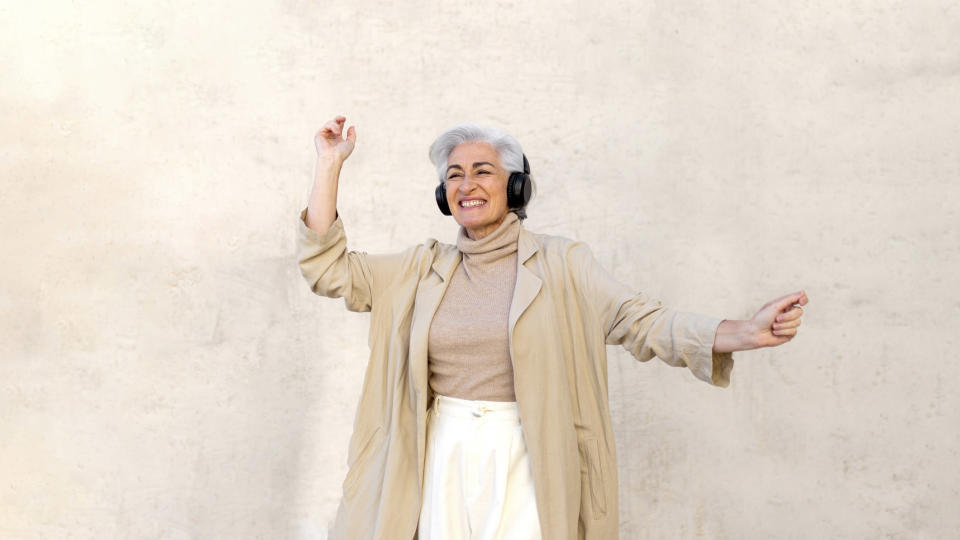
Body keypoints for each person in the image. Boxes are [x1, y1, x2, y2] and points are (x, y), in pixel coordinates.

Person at [297, 115, 808, 540]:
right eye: (454, 175)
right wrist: (329, 164)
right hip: (440, 448)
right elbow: (330, 269)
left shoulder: (565, 265)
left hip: (530, 448)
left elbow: (642, 321)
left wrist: (745, 331)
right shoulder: (416, 269)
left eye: (483, 172)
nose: (467, 185)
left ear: (515, 186)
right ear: (442, 192)